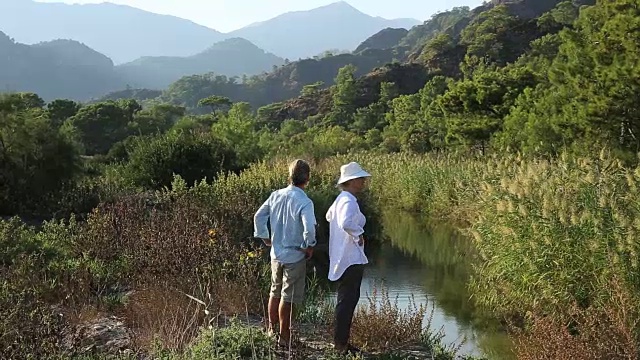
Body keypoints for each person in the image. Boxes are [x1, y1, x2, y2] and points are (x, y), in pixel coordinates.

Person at [253, 159, 317, 348]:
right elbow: (310, 229)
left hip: (276, 254)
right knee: (288, 297)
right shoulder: (305, 201)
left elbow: (259, 216)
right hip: (295, 256)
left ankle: (272, 330)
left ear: (289, 176)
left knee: (275, 291)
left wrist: (264, 236)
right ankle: (285, 336)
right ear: (307, 178)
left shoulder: (275, 195)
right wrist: (309, 245)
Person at [325, 161, 371, 354]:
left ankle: (341, 341)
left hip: (342, 257)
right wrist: (358, 234)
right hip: (350, 258)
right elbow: (344, 222)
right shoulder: (348, 201)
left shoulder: (341, 199)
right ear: (352, 181)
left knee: (345, 301)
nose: (363, 181)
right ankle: (340, 345)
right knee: (347, 301)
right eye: (360, 178)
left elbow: (329, 216)